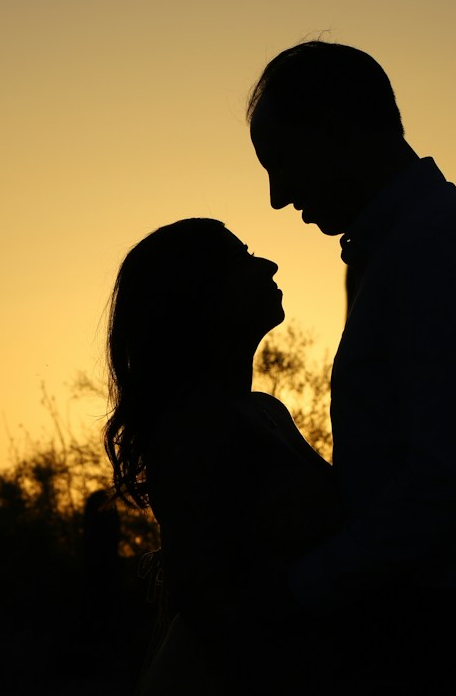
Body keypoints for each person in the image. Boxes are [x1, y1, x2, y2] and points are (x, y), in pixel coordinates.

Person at [247, 40, 456, 692]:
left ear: (337, 132)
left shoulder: (426, 251)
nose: (279, 197)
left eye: (283, 163)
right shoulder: (409, 243)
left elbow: (444, 475)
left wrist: (305, 585)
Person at [104, 218, 343, 694]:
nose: (268, 264)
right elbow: (209, 601)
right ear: (201, 297)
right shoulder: (195, 429)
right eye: (242, 258)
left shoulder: (265, 412)